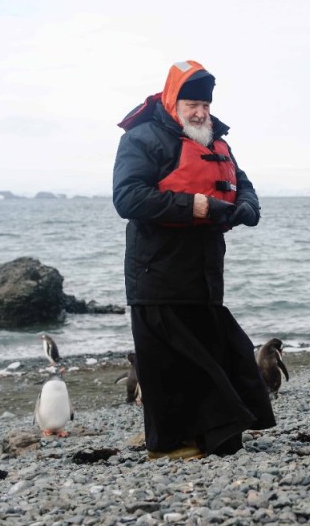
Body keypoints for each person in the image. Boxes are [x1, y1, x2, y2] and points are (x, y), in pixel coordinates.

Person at [112, 60, 276, 460]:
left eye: (205, 104)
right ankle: (169, 446)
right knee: (168, 365)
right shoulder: (144, 139)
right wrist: (198, 206)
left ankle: (215, 437)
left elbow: (244, 185)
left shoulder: (213, 140)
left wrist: (247, 209)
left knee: (223, 353)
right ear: (172, 101)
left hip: (204, 273)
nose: (201, 112)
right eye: (192, 104)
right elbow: (128, 197)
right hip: (157, 273)